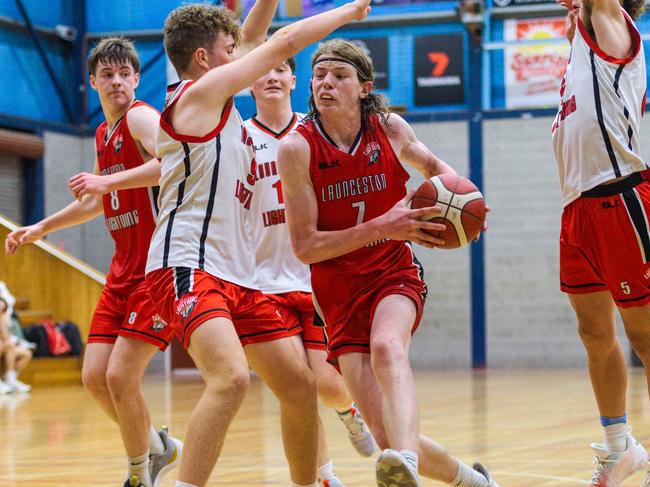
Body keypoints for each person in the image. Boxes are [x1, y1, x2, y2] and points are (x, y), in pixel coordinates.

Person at [143, 3, 371, 487]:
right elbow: (280, 45)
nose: (244, 55)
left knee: (301, 387)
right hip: (185, 264)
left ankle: (312, 482)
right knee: (230, 380)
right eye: (231, 51)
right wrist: (348, 11)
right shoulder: (198, 97)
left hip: (236, 276)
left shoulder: (219, 102)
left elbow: (252, 36)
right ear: (205, 58)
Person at [278, 39, 499, 487]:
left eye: (339, 76)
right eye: (319, 75)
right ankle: (472, 482)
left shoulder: (389, 129)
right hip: (337, 291)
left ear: (363, 87)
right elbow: (305, 247)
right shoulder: (296, 149)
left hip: (392, 272)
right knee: (386, 437)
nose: (325, 83)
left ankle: (409, 466)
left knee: (386, 347)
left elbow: (435, 165)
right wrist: (382, 223)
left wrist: (467, 203)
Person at [4, 38, 181, 487]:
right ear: (93, 82)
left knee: (120, 377)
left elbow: (174, 162)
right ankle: (158, 448)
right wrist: (40, 227)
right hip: (122, 270)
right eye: (108, 74)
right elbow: (101, 200)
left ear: (137, 79)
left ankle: (141, 472)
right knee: (95, 378)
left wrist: (107, 181)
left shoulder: (141, 117)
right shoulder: (104, 134)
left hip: (155, 268)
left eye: (125, 73)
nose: (117, 81)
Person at [244, 58, 377, 487]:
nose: (271, 77)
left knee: (329, 383)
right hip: (262, 282)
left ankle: (349, 413)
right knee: (298, 389)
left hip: (316, 278)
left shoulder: (313, 131)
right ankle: (324, 476)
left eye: (280, 68)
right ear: (248, 83)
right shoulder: (239, 138)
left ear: (293, 79)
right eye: (261, 70)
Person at [553, 1, 650, 485]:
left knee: (647, 336)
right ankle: (619, 447)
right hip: (577, 208)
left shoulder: (614, 28)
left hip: (620, 197)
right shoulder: (578, 48)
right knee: (594, 332)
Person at [0, 297, 32, 394]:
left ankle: (10, 380)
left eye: (2, 310)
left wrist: (2, 323)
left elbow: (6, 338)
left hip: (4, 346)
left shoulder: (4, 319)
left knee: (26, 354)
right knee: (9, 345)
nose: (0, 312)